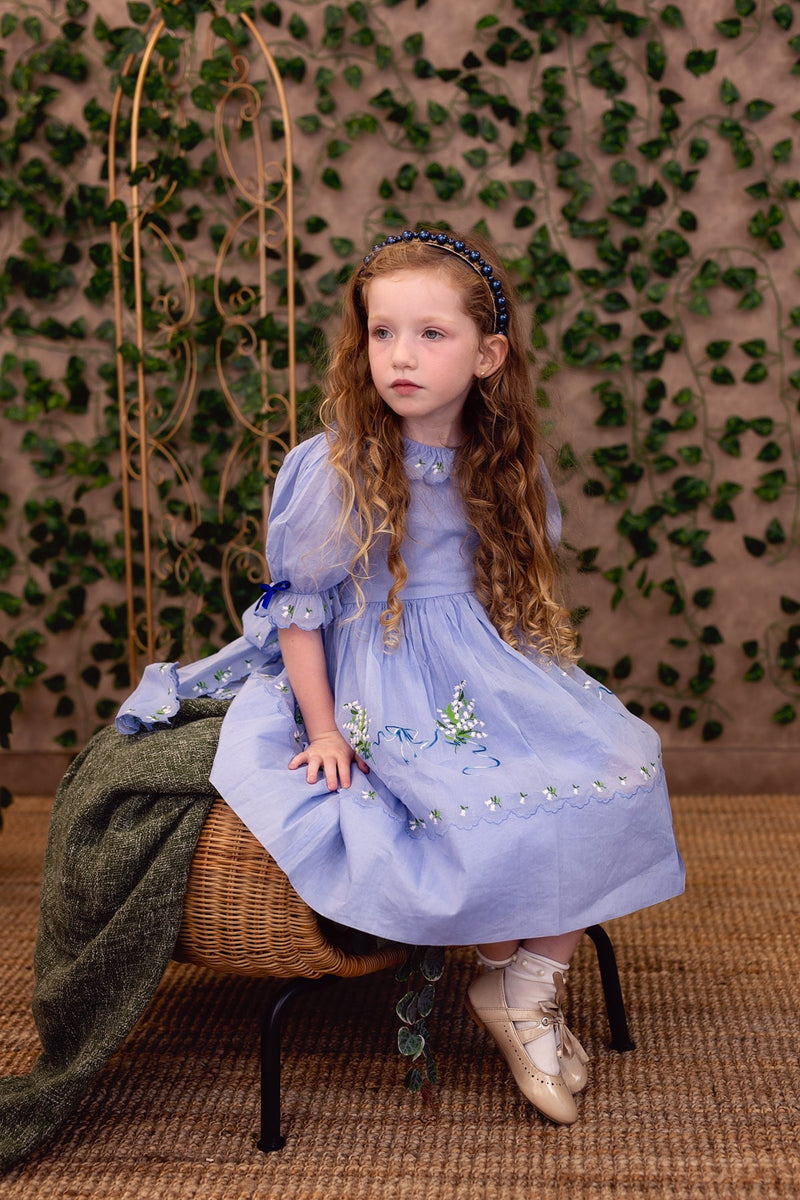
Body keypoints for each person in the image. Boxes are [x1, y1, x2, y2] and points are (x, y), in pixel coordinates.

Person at [117, 226, 685, 1126]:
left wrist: (527, 692)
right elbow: (300, 610)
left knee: (619, 761)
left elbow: (504, 596)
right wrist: (324, 729)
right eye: (382, 333)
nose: (401, 356)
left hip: (479, 664)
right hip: (371, 667)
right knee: (463, 798)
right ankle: (508, 980)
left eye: (431, 334)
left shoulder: (505, 464)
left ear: (487, 354)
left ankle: (526, 985)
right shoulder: (334, 463)